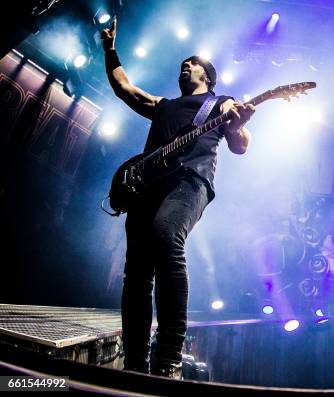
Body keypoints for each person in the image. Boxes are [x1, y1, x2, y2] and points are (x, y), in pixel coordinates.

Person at [101, 18, 255, 378]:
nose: (185, 65)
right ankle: (136, 360)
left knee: (165, 237)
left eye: (193, 62)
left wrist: (236, 123)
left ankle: (168, 357)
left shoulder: (221, 103)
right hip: (146, 187)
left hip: (190, 183)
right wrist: (109, 51)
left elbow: (241, 145)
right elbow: (124, 88)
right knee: (136, 271)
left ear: (207, 76)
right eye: (183, 63)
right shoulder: (165, 104)